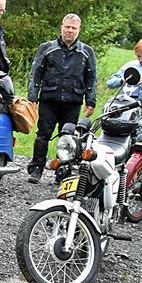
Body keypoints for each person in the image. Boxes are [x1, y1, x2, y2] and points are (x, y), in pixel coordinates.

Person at [26, 13, 97, 183]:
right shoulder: (47, 48)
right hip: (49, 100)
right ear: (61, 27)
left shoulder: (87, 52)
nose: (70, 31)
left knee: (67, 138)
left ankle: (62, 173)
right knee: (42, 135)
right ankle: (36, 169)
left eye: (73, 28)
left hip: (73, 102)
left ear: (78, 30)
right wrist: (32, 96)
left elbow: (91, 77)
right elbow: (36, 73)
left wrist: (91, 101)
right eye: (67, 27)